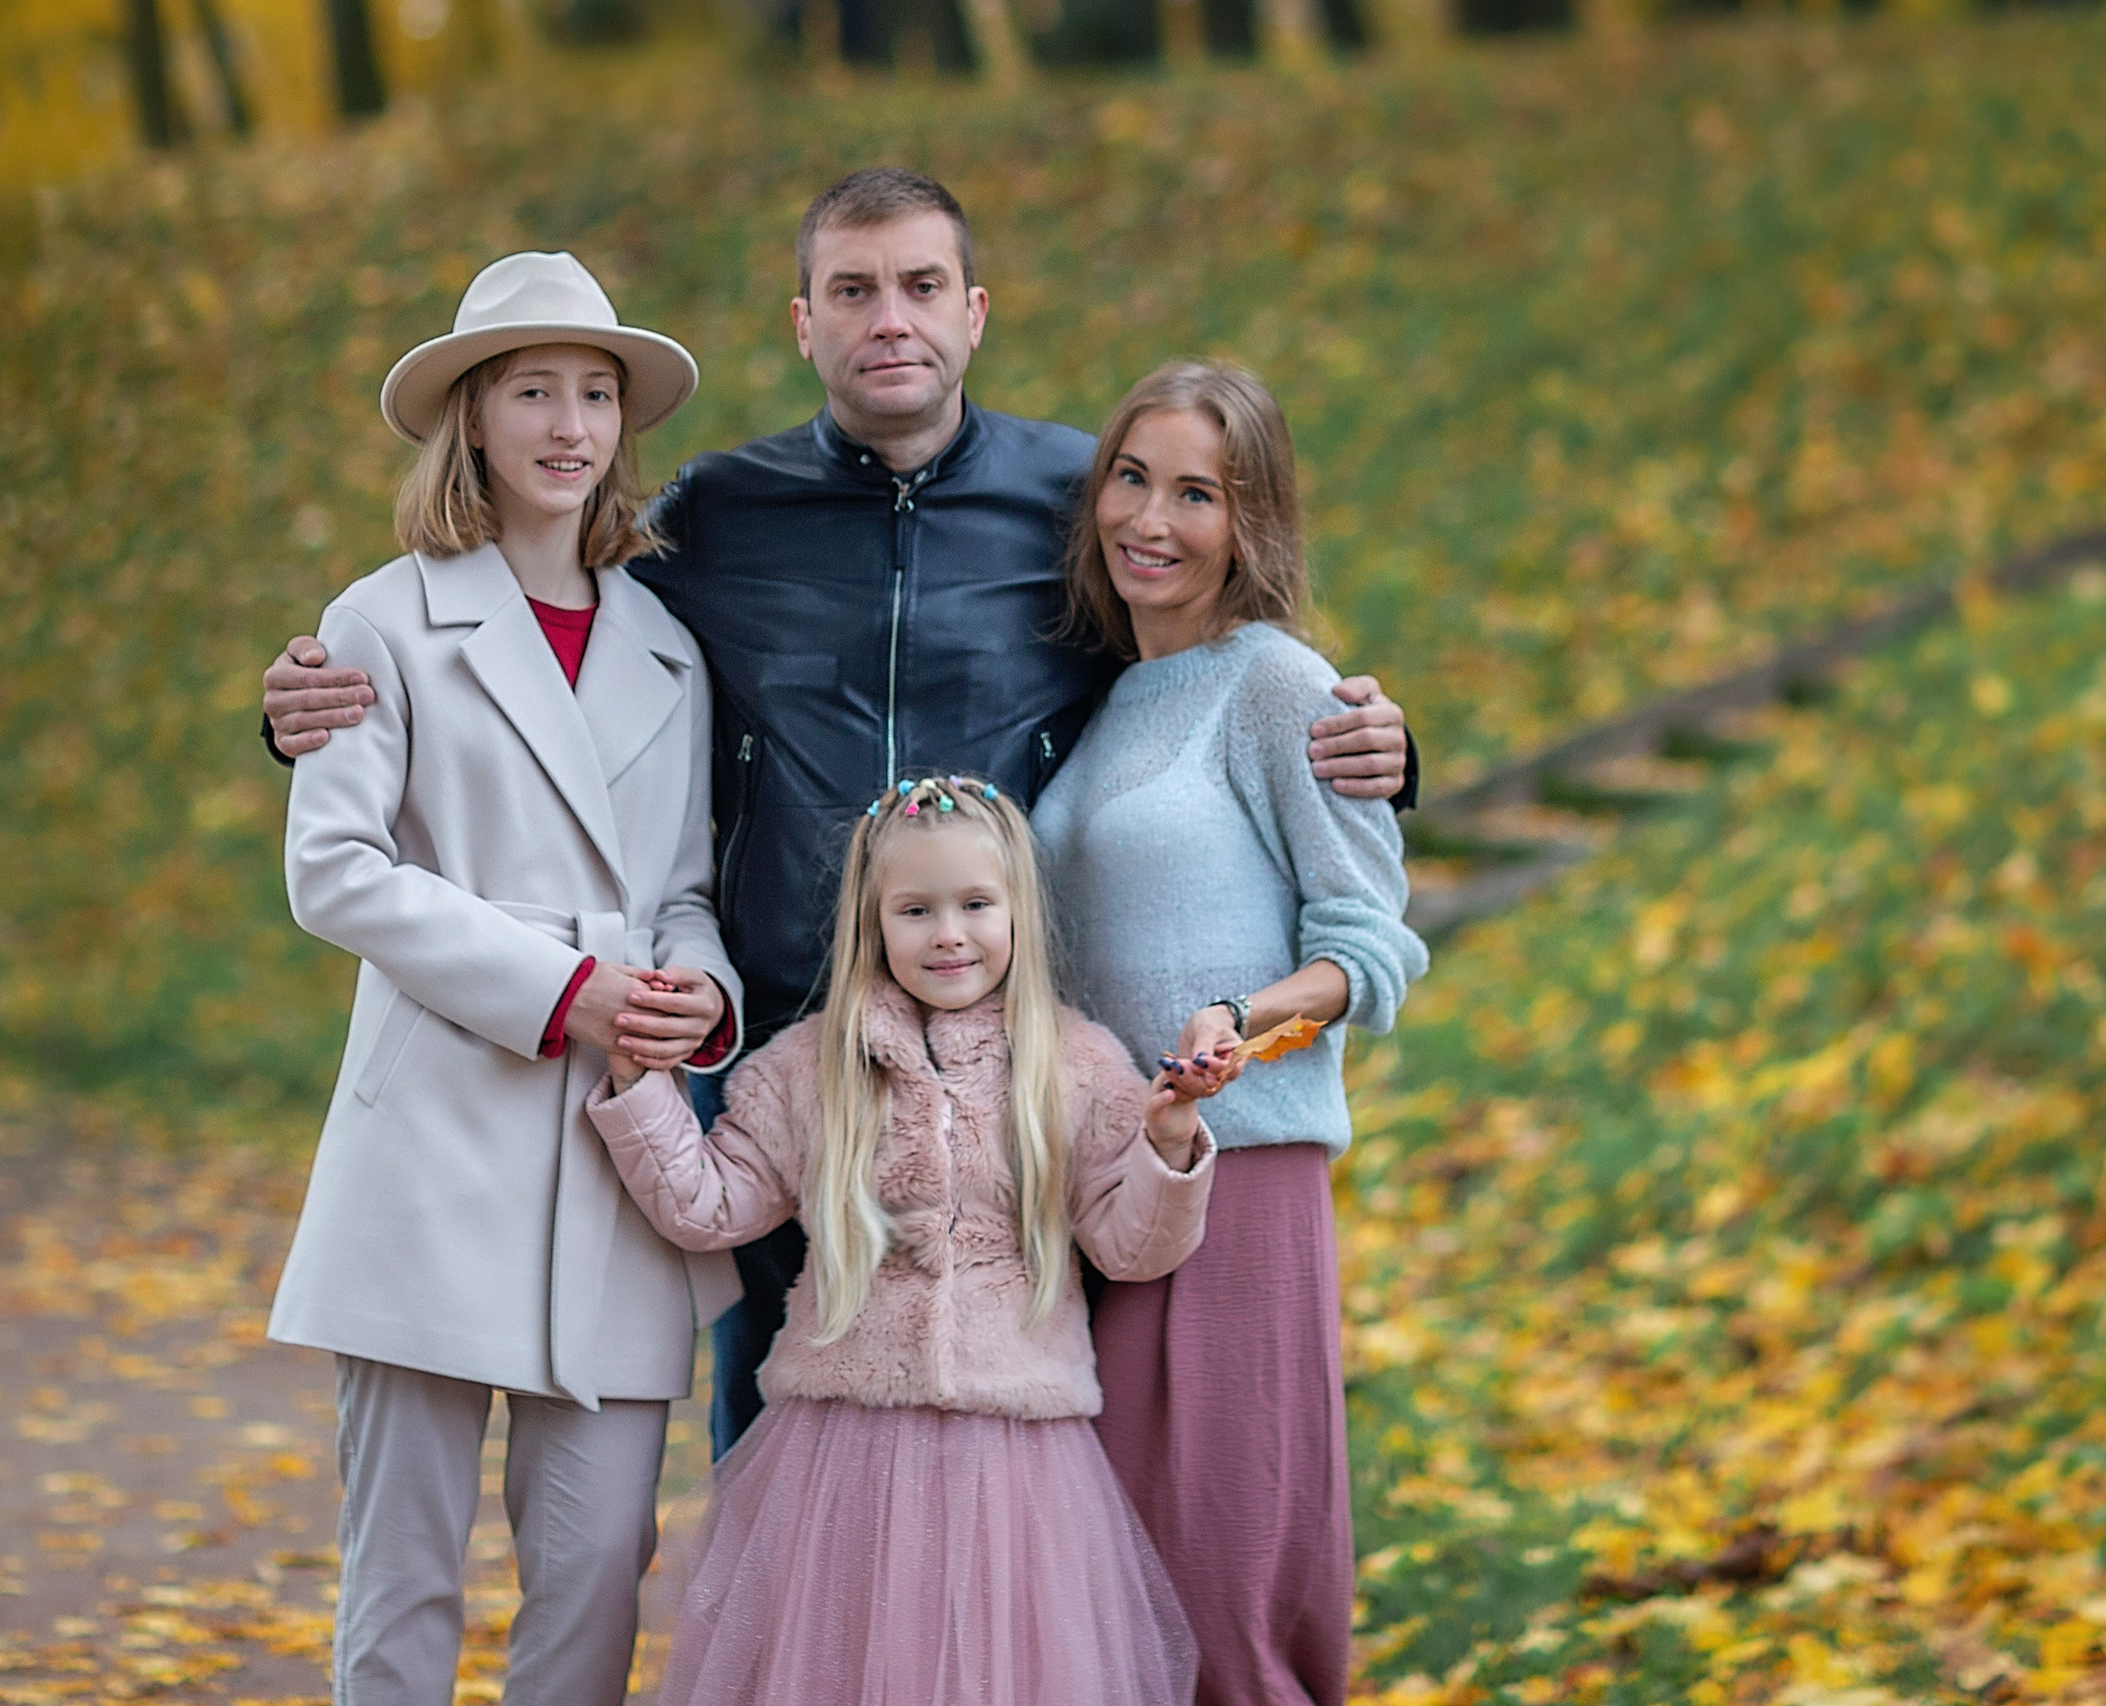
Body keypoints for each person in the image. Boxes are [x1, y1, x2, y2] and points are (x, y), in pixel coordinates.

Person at [258, 169, 1418, 1456]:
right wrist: (318, 705)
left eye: (921, 287)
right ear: (802, 323)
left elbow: (1200, 656)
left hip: (1011, 1069)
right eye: (852, 291)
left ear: (974, 311)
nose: (890, 321)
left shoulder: (1074, 501)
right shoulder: (715, 515)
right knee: (771, 1434)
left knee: (1011, 1439)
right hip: (776, 1049)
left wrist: (1374, 744)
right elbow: (542, 642)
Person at [268, 250, 745, 1706]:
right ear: (472, 417)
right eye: (532, 389)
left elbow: (679, 885)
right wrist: (561, 992)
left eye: (596, 392)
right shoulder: (380, 620)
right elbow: (335, 871)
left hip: (618, 1154)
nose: (569, 422)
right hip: (433, 1144)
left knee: (598, 1573)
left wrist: (696, 990)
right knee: (403, 1571)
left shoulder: (669, 641)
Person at [584, 775, 1231, 1706]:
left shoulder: (1075, 1062)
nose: (949, 933)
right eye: (916, 909)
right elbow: (711, 1207)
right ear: (873, 922)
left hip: (1017, 1455)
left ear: (1019, 912)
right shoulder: (814, 1065)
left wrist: (1168, 1142)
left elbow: (1132, 1249)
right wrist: (641, 1085)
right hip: (842, 1443)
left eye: (976, 904)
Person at [1029, 361, 1430, 1706]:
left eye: (1197, 490)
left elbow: (1373, 943)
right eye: (1132, 478)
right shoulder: (1104, 703)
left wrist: (1241, 1022)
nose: (1153, 516)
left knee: (1228, 1592)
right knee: (1125, 1593)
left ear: (1248, 522)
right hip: (1107, 1191)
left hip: (1240, 1184)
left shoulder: (1275, 683)